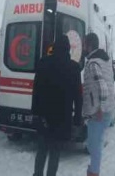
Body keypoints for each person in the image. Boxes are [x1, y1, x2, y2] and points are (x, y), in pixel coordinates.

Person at [32, 35, 83, 176]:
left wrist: (35, 113)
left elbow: (36, 90)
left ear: (54, 47)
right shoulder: (74, 68)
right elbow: (78, 97)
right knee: (55, 152)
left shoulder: (43, 63)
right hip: (62, 118)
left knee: (42, 150)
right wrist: (77, 118)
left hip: (44, 117)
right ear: (68, 49)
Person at [83, 33, 115, 176]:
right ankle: (93, 169)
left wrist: (99, 108)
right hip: (108, 109)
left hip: (99, 112)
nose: (83, 47)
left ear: (89, 45)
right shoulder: (105, 61)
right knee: (95, 143)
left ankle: (93, 172)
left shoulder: (93, 63)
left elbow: (102, 87)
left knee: (93, 146)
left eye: (84, 44)